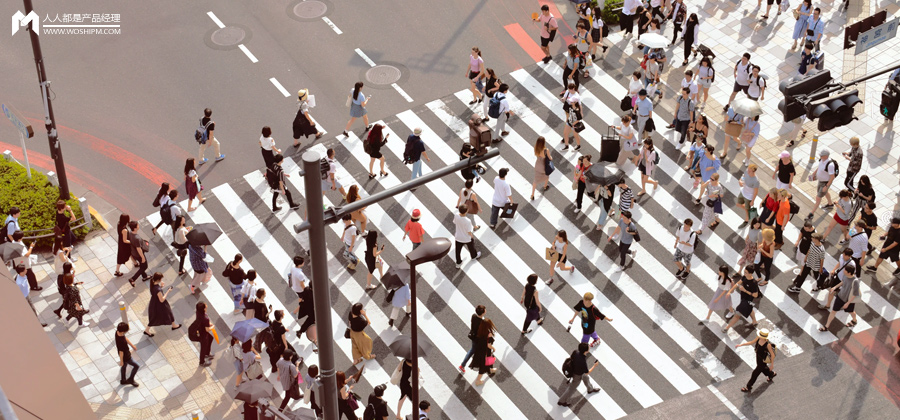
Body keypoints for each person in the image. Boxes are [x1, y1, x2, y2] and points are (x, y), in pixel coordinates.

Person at [557, 342, 601, 407]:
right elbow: (587, 372)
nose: (589, 347)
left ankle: (590, 389)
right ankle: (561, 401)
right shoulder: (583, 361)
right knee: (571, 389)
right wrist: (595, 365)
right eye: (588, 347)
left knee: (586, 378)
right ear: (586, 351)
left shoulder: (576, 352)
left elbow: (571, 358)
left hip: (576, 370)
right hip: (577, 375)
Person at [819, 264, 860, 331]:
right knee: (833, 311)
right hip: (840, 297)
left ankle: (854, 320)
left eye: (845, 270)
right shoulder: (845, 276)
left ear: (849, 273)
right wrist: (835, 287)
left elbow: (855, 294)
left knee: (851, 312)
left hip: (848, 300)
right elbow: (843, 282)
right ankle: (826, 326)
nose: (844, 271)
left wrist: (847, 303)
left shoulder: (855, 281)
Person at [722, 265, 760, 333]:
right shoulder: (745, 277)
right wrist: (730, 291)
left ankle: (727, 328)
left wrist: (745, 290)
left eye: (746, 272)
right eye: (744, 271)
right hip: (743, 298)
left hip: (747, 300)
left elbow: (755, 295)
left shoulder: (754, 283)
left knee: (737, 315)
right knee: (750, 309)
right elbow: (737, 283)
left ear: (750, 273)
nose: (744, 273)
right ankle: (754, 322)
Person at [471, 318, 498, 386]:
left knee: (489, 359)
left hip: (480, 351)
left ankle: (490, 369)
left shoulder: (480, 331)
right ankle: (478, 380)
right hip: (484, 352)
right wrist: (493, 348)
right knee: (483, 367)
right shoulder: (488, 334)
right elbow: (488, 345)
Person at [454, 204, 482, 268]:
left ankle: (458, 263)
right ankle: (474, 256)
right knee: (471, 247)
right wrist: (471, 235)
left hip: (458, 236)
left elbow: (455, 222)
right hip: (466, 237)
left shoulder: (456, 216)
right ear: (466, 211)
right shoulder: (467, 221)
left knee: (458, 251)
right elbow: (469, 231)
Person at [459, 305, 485, 372]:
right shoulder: (482, 322)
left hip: (473, 337)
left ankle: (462, 365)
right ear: (483, 313)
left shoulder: (473, 316)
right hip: (478, 340)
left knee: (472, 351)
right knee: (480, 352)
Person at [116, 322, 140, 387]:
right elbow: (121, 352)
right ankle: (131, 379)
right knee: (137, 366)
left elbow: (124, 337)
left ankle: (123, 380)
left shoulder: (117, 332)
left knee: (124, 366)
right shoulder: (121, 341)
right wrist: (121, 361)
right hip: (126, 356)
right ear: (123, 331)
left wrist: (132, 345)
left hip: (123, 354)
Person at [127, 221, 149, 287]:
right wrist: (142, 257)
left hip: (133, 253)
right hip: (138, 254)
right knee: (144, 266)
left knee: (142, 266)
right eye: (137, 225)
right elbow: (139, 249)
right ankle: (133, 279)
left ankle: (145, 276)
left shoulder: (130, 233)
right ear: (135, 228)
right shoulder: (137, 238)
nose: (138, 226)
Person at [194, 301, 215, 366]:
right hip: (203, 333)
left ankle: (207, 354)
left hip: (200, 329)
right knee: (203, 347)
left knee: (211, 338)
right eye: (205, 306)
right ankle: (202, 362)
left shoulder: (198, 312)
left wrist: (208, 324)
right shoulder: (205, 318)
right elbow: (207, 329)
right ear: (203, 309)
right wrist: (212, 327)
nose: (207, 307)